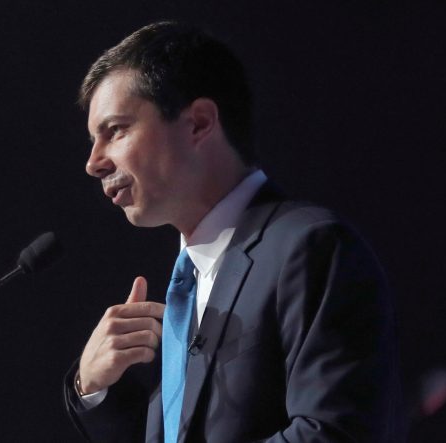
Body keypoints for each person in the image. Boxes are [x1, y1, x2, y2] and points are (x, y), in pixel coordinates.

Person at [63, 21, 404, 442]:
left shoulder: (311, 247)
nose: (93, 162)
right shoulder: (189, 281)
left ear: (200, 123)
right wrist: (95, 388)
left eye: (115, 131)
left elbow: (336, 433)